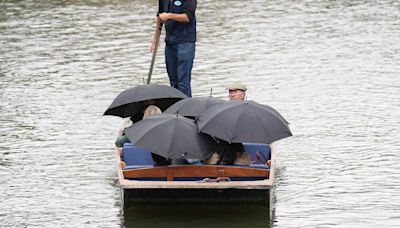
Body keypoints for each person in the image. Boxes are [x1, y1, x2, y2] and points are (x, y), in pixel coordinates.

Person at [151, 0, 197, 97]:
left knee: (183, 82)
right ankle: (175, 108)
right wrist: (155, 39)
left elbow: (188, 17)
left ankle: (186, 109)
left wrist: (169, 16)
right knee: (173, 81)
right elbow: (160, 16)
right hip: (170, 42)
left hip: (185, 42)